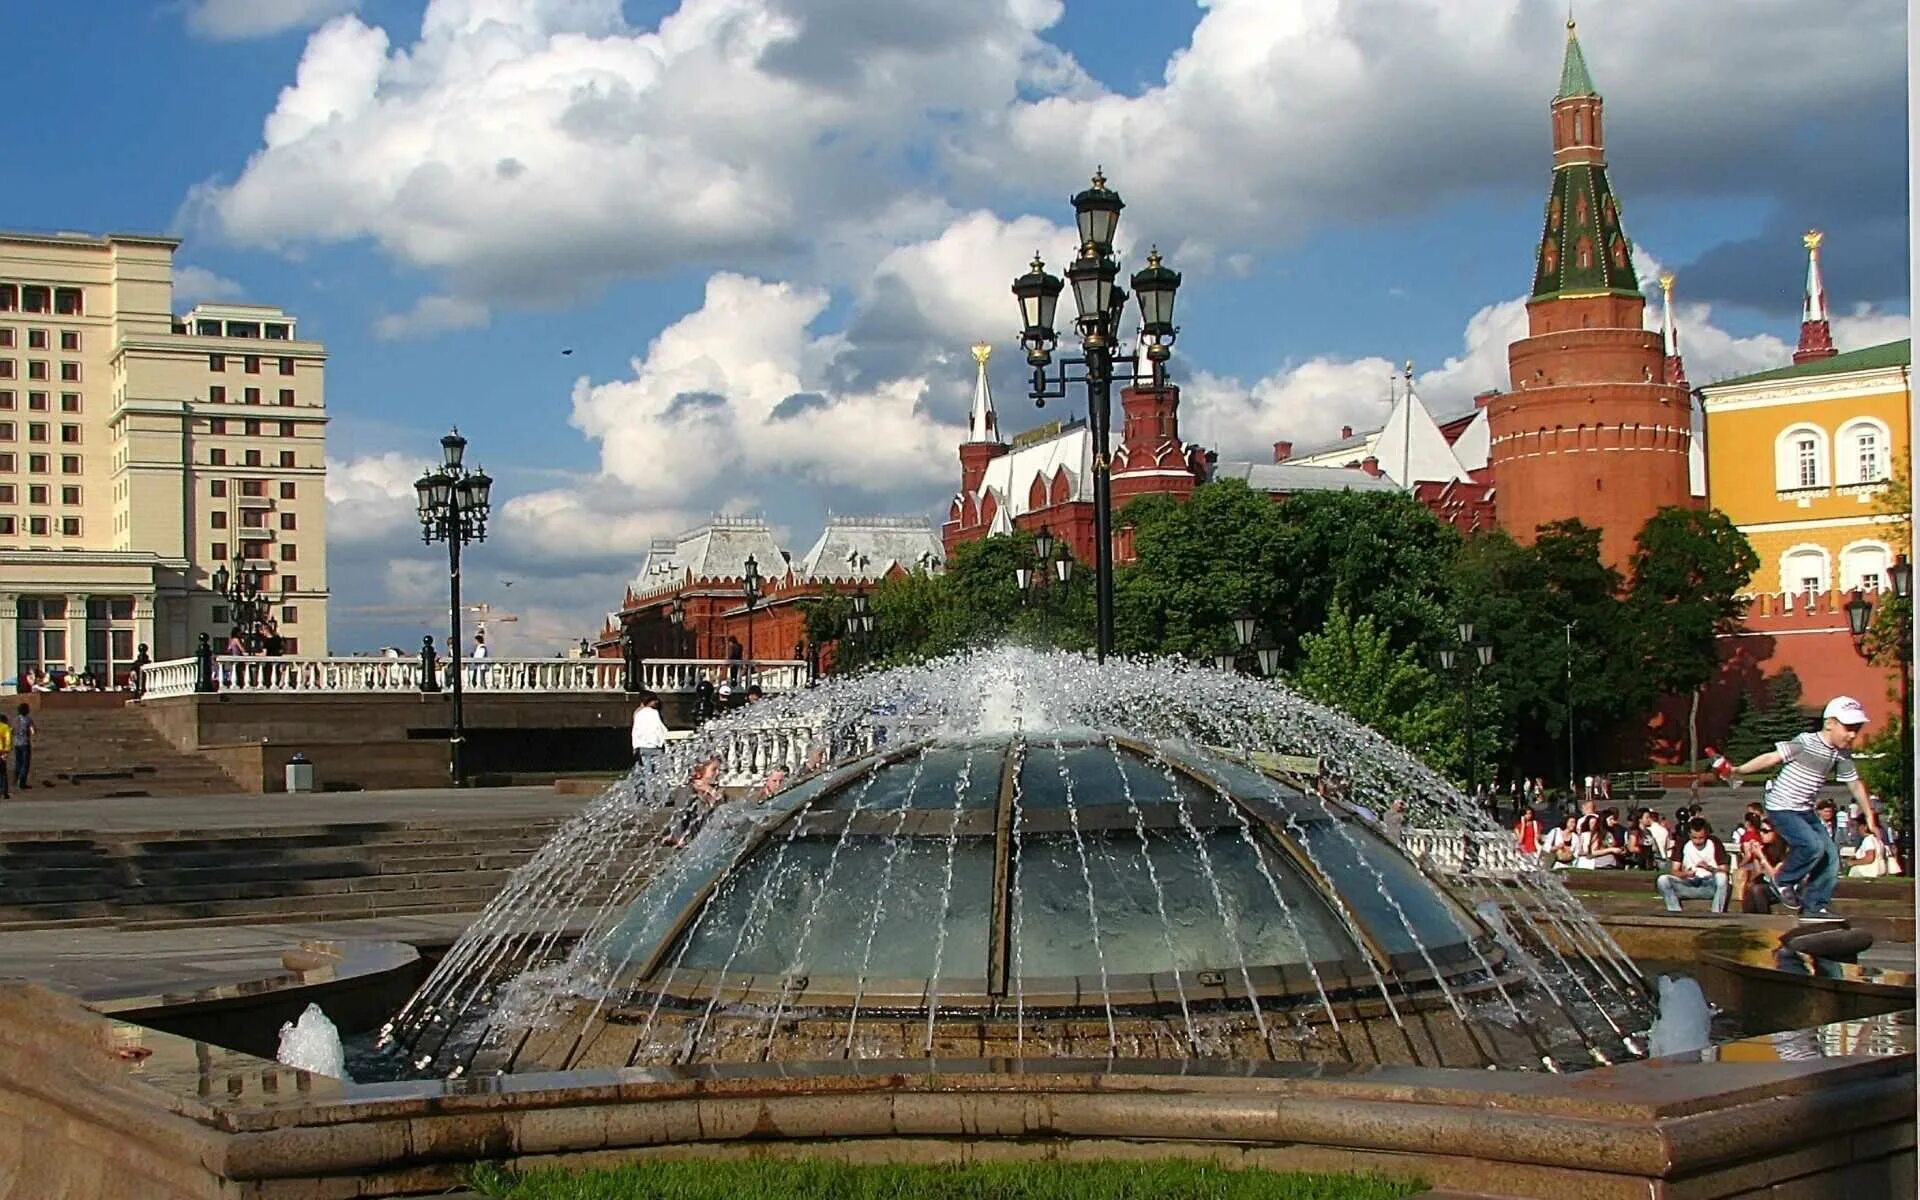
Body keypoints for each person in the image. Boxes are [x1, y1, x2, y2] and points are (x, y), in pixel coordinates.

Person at [1728, 695, 1878, 919]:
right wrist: (1739, 770)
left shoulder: (1841, 754)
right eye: (1848, 728)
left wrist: (1869, 816)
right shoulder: (1805, 742)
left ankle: (1814, 906)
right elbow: (1772, 757)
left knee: (1830, 857)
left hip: (1804, 810)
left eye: (1856, 728)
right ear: (1829, 723)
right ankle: (1782, 880)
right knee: (1812, 846)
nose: (1853, 734)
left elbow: (1855, 784)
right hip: (1781, 807)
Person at [1657, 817, 1730, 913]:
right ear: (1689, 834)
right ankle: (1674, 911)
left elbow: (1724, 870)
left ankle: (1716, 913)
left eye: (1701, 838)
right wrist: (1685, 874)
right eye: (1694, 838)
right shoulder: (1682, 843)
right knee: (1663, 880)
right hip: (1689, 883)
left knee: (1722, 877)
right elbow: (1675, 870)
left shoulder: (1714, 842)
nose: (1698, 841)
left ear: (1706, 834)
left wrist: (1709, 868)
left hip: (1709, 884)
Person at [1738, 819, 1787, 912]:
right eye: (1760, 830)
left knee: (1757, 889)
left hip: (1783, 888)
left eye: (1765, 831)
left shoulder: (1785, 850)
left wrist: (1761, 857)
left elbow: (1774, 876)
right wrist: (1755, 856)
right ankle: (1749, 920)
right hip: (1768, 886)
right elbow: (1759, 874)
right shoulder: (1765, 848)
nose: (1761, 833)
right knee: (1751, 889)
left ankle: (1764, 919)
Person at [630, 692, 667, 768]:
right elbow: (659, 728)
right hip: (654, 745)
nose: (656, 702)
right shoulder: (653, 712)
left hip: (642, 746)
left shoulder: (637, 712)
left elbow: (636, 731)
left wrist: (635, 746)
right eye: (654, 700)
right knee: (658, 771)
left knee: (647, 771)